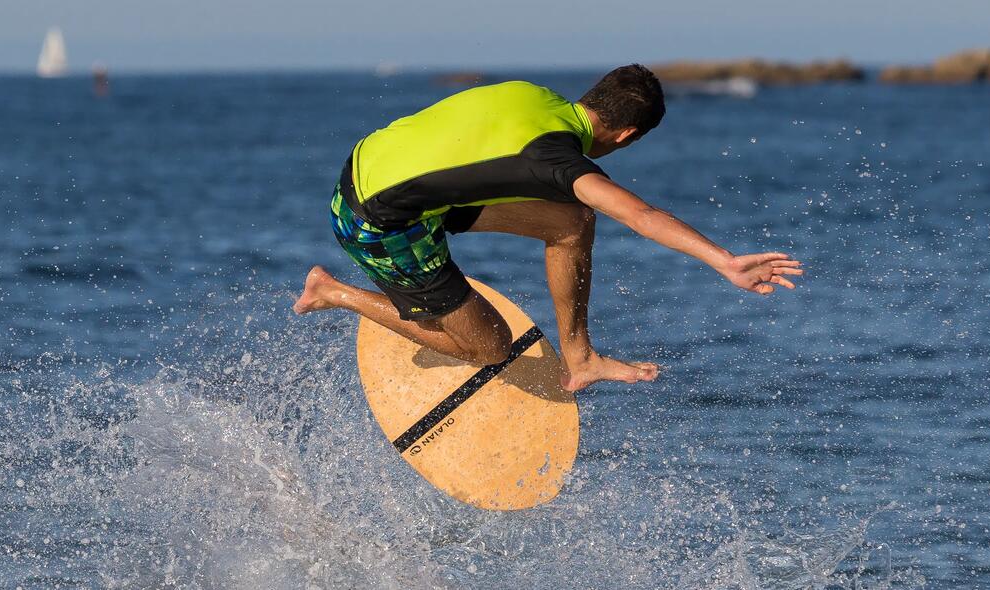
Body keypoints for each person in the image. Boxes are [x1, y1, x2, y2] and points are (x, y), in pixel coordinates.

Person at [293, 64, 803, 391]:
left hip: (372, 172)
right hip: (374, 221)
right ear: (625, 134)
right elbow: (639, 215)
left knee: (571, 221)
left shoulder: (531, 94)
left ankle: (579, 358)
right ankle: (334, 292)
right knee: (490, 347)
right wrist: (725, 261)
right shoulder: (556, 159)